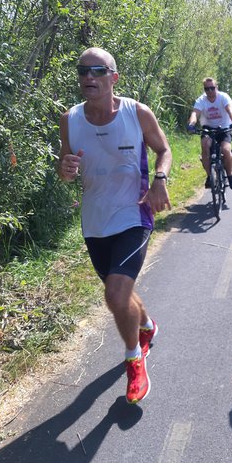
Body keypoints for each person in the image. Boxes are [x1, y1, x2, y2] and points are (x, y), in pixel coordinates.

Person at [57, 47, 172, 404]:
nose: (88, 77)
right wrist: (64, 170)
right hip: (94, 221)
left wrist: (159, 179)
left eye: (97, 71)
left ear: (114, 78)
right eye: (82, 71)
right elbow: (65, 168)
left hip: (134, 214)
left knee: (115, 295)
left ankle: (134, 360)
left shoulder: (137, 113)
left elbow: (163, 149)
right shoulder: (70, 120)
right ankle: (146, 325)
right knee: (120, 293)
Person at [187, 78, 232, 190]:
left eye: (212, 88)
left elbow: (230, 110)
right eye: (207, 89)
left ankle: (229, 176)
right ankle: (209, 176)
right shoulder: (201, 100)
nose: (210, 91)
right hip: (208, 129)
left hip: (224, 127)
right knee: (205, 146)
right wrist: (191, 124)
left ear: (217, 87)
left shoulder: (223, 97)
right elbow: (195, 113)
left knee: (225, 150)